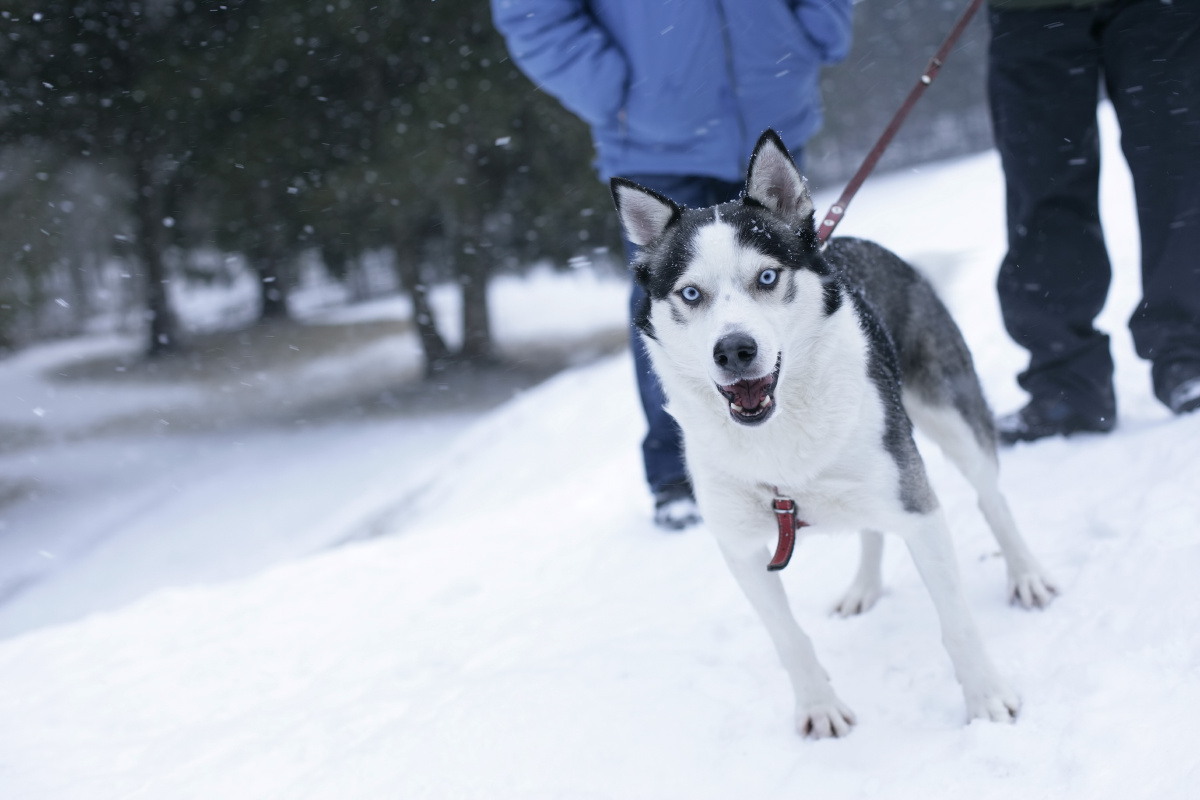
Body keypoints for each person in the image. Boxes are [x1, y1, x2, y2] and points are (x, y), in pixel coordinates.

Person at [490, 0, 854, 527]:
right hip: (652, 138)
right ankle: (679, 473)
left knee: (783, 295)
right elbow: (531, 11)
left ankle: (804, 461)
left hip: (770, 105)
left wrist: (818, 27)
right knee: (671, 305)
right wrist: (613, 90)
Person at [988, 0, 1200, 444]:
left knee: (1180, 171)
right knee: (1041, 184)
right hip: (1030, 10)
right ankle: (1067, 381)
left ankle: (1190, 354)